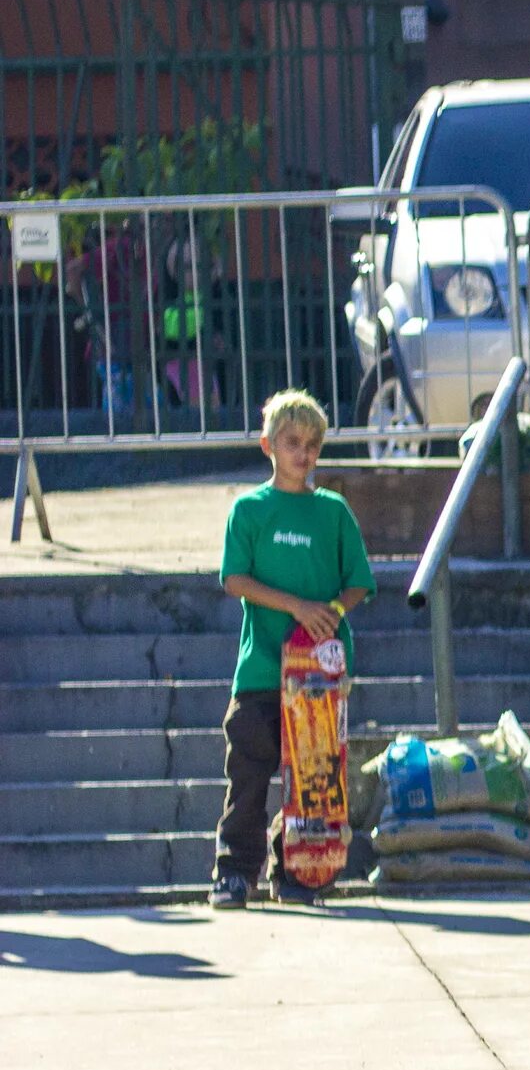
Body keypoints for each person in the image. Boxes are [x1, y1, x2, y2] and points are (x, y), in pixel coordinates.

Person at [211, 389, 375, 908]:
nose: (302, 453)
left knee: (313, 779)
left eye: (311, 444)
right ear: (268, 446)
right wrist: (297, 607)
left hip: (320, 674)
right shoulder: (250, 509)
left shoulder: (333, 511)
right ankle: (235, 874)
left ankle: (299, 873)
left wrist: (330, 615)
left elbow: (357, 583)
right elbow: (234, 578)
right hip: (261, 670)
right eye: (291, 442)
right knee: (250, 775)